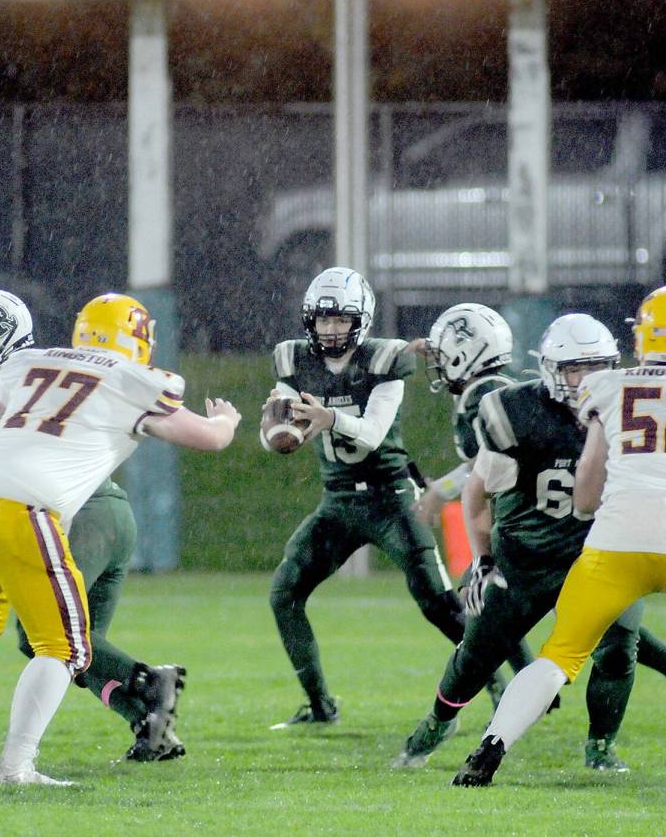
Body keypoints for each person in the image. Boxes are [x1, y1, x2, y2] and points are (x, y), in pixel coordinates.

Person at [0, 292, 241, 786]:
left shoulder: (32, 363)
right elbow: (208, 439)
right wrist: (226, 419)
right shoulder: (133, 380)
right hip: (26, 510)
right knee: (64, 648)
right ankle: (16, 767)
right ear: (136, 338)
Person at [0, 286, 187, 764]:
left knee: (48, 638)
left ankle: (147, 682)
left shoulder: (21, 375)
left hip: (84, 515)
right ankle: (148, 724)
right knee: (76, 649)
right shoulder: (56, 369)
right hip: (111, 514)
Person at [394, 312, 645, 773]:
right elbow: (476, 491)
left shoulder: (628, 409)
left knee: (619, 648)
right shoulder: (517, 412)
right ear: (551, 370)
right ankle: (438, 721)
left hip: (597, 558)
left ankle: (601, 748)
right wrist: (484, 561)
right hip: (526, 559)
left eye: (598, 367)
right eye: (575, 369)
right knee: (476, 657)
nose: (588, 380)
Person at [452, 287, 666, 786]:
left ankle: (491, 747)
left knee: (559, 655)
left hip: (617, 546)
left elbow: (586, 496)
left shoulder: (609, 387)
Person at [265, 266, 473, 728]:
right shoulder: (294, 360)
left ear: (361, 321)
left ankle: (499, 686)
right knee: (285, 592)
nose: (332, 329)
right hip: (338, 502)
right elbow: (279, 425)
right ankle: (320, 706)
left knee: (439, 605)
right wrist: (277, 432)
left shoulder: (386, 360)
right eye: (323, 320)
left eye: (342, 319)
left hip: (391, 499)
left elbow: (374, 433)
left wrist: (328, 417)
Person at [408, 304, 535, 706]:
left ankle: (515, 690)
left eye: (447, 356)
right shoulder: (491, 387)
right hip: (530, 509)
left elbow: (481, 468)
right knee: (495, 604)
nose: (441, 365)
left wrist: (437, 492)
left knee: (488, 602)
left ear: (468, 355)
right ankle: (530, 688)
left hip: (528, 516)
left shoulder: (483, 396)